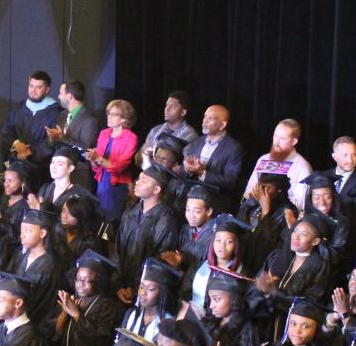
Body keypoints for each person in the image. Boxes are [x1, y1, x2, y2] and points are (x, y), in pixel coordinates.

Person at [52, 249, 120, 346]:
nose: (81, 284)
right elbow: (54, 335)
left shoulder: (107, 306)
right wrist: (64, 314)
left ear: (99, 282)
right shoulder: (72, 300)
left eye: (87, 280)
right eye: (78, 279)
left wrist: (76, 315)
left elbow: (99, 340)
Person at [113, 167, 180, 300]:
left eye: (144, 180)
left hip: (144, 292)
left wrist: (135, 288)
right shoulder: (131, 211)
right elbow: (117, 248)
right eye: (139, 178)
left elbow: (159, 260)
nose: (137, 182)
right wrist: (117, 283)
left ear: (156, 190)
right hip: (120, 286)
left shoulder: (165, 220)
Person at [181, 105, 244, 215]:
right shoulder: (197, 142)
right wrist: (187, 168)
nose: (204, 121)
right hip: (191, 199)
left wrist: (202, 173)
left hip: (215, 204)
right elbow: (183, 172)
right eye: (205, 117)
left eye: (210, 118)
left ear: (223, 124)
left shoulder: (234, 148)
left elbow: (231, 181)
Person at [241, 118, 314, 210]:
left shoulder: (302, 167)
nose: (276, 142)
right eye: (275, 136)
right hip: (256, 212)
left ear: (294, 141)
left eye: (282, 138)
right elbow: (249, 190)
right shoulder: (264, 160)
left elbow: (301, 203)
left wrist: (270, 201)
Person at [1, 71, 64, 177]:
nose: (33, 90)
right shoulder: (20, 108)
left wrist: (28, 154)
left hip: (40, 170)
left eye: (38, 87)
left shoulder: (55, 112)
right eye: (31, 86)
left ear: (47, 90)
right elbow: (6, 128)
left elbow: (51, 143)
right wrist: (16, 143)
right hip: (16, 164)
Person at [89, 98, 140, 217]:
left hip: (118, 186)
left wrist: (98, 159)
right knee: (100, 218)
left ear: (124, 118)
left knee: (113, 221)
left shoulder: (131, 138)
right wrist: (92, 159)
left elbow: (119, 167)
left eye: (114, 114)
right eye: (109, 113)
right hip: (102, 182)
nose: (109, 117)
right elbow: (97, 166)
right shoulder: (104, 133)